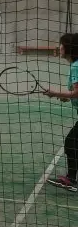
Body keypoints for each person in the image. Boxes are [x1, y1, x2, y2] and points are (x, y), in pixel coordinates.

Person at [44, 33, 78, 189]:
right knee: (73, 142)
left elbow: (77, 92)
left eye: (62, 44)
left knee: (71, 142)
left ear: (69, 48)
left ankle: (71, 179)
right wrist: (66, 97)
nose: (60, 47)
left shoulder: (76, 66)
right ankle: (71, 178)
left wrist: (56, 93)